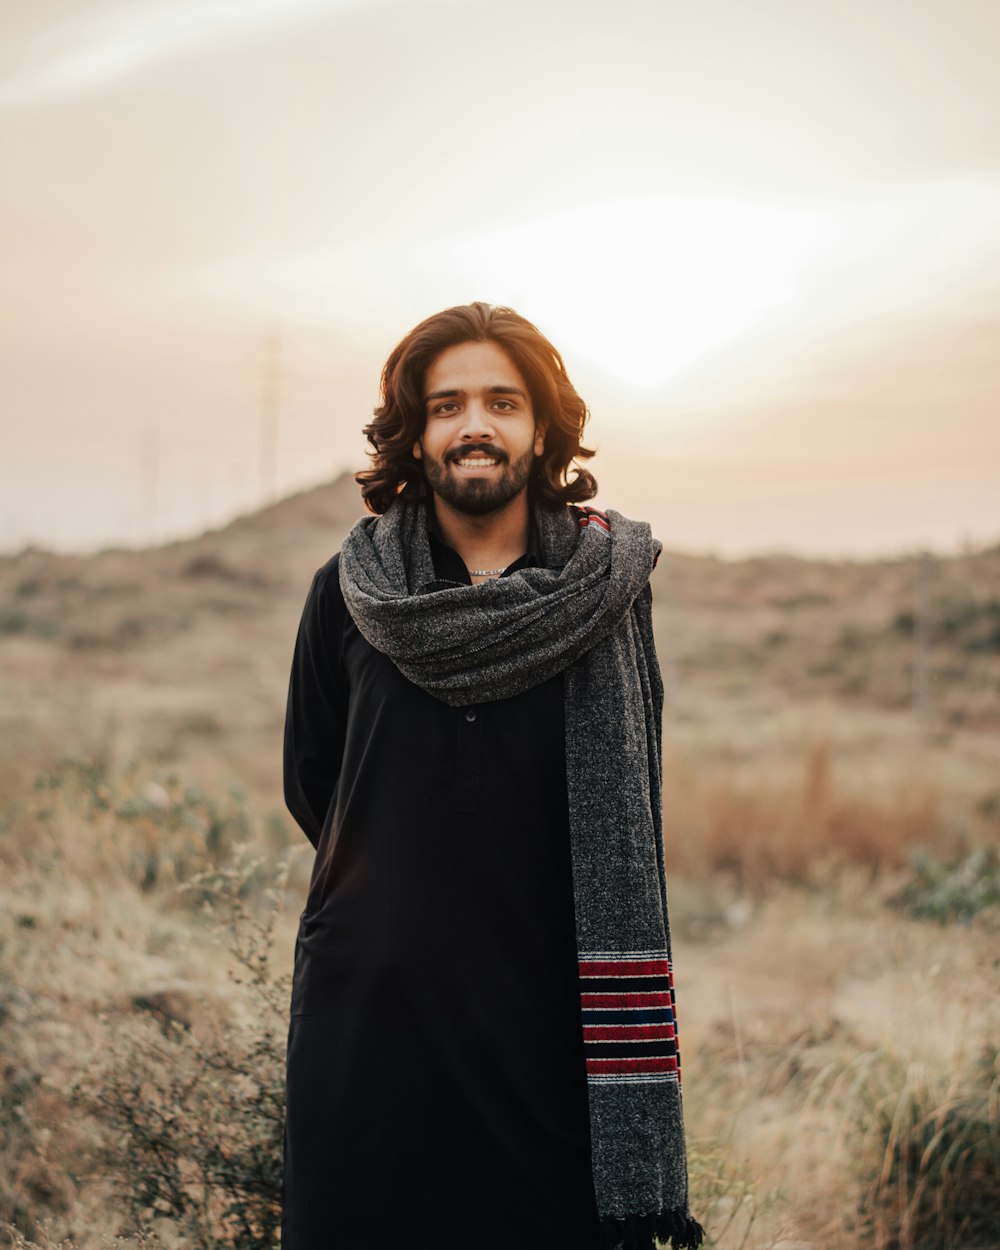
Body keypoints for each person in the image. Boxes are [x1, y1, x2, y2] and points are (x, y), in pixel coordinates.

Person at [281, 302, 703, 1250]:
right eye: (447, 405)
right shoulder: (348, 593)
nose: (475, 424)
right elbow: (315, 781)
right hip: (372, 1016)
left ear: (542, 426)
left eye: (503, 402)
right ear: (415, 434)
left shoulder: (607, 589)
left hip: (551, 1020)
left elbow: (638, 792)